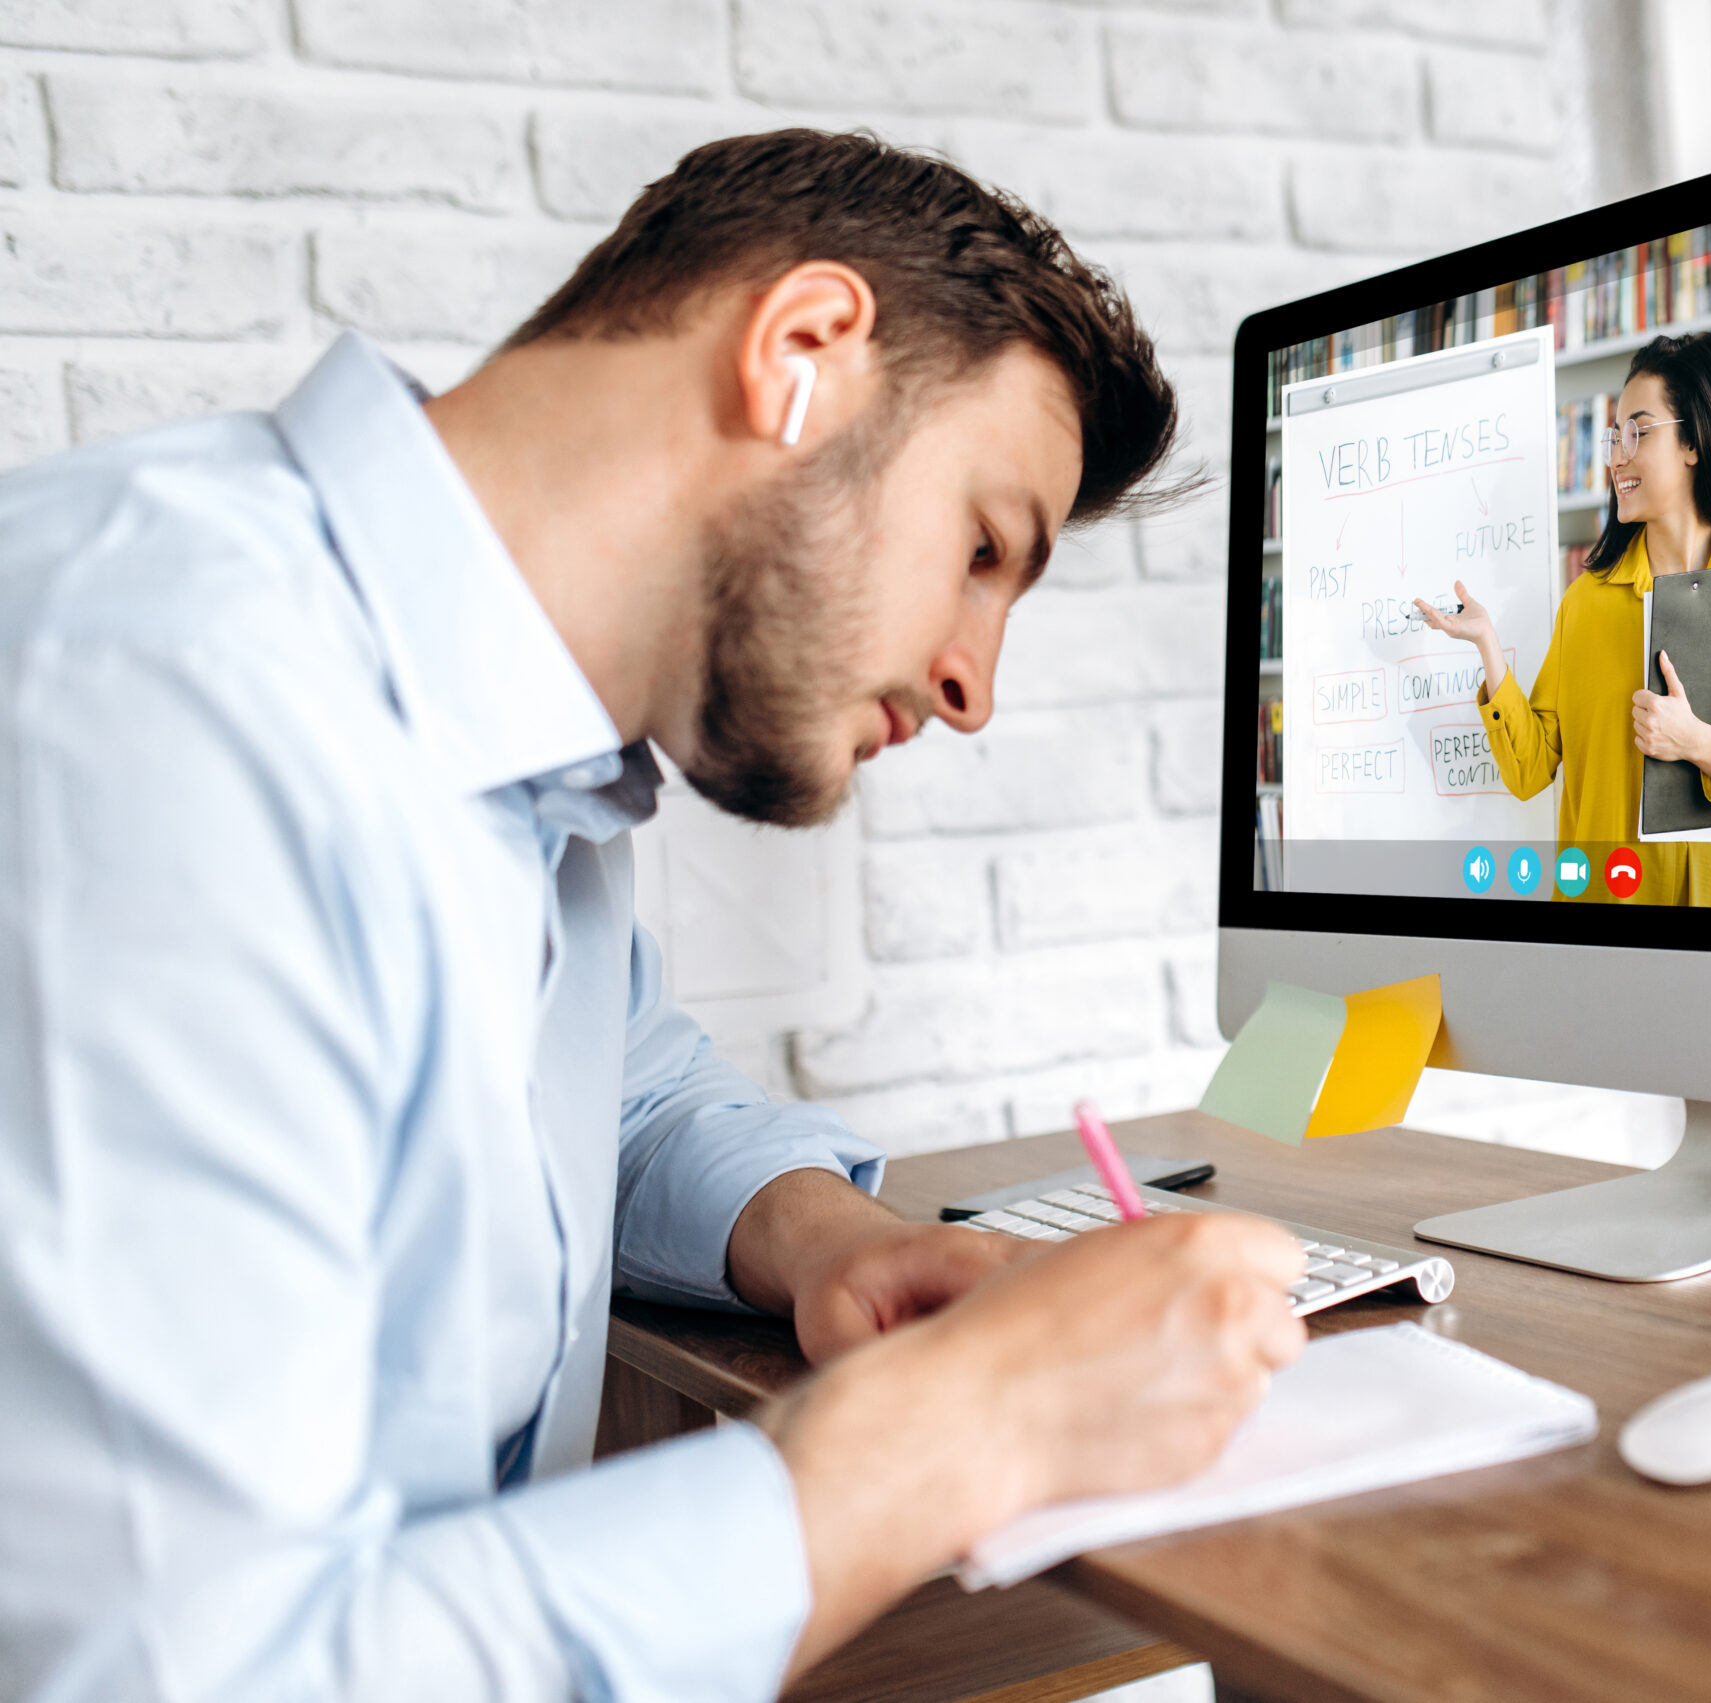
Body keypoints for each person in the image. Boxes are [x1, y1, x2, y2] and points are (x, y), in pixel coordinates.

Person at [0, 130, 1306, 1702]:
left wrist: (829, 1234)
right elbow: (188, 1668)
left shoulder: (518, 766)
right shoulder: (160, 697)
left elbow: (610, 1086)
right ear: (803, 351)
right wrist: (959, 1428)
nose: (974, 685)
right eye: (981, 547)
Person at [1416, 333, 1711, 908]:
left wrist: (1701, 744)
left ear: (1693, 441)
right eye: (1614, 436)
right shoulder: (1588, 601)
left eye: (1637, 431)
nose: (1615, 456)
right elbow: (1530, 769)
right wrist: (1487, 643)